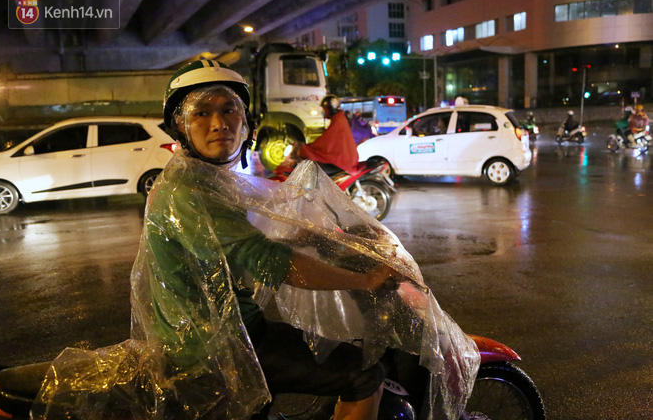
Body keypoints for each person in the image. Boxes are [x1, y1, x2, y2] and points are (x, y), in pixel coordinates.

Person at [30, 61, 479, 420]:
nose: (218, 123)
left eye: (229, 110)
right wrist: (362, 281)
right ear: (180, 127)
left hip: (227, 333)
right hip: (215, 348)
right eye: (200, 113)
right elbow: (266, 258)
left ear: (246, 123)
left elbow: (260, 227)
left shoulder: (209, 180)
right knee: (365, 372)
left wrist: (329, 237)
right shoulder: (188, 190)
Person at [295, 94, 359, 173]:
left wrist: (306, 148)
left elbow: (325, 142)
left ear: (330, 109)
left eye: (325, 109)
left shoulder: (338, 121)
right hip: (346, 158)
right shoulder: (339, 118)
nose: (324, 112)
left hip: (343, 161)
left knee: (314, 169)